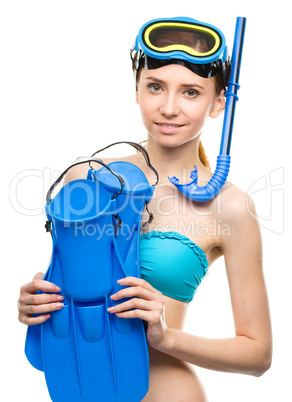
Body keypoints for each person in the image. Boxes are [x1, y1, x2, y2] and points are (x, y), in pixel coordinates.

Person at [18, 17, 272, 401]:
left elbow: (257, 355)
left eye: (191, 92)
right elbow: (68, 289)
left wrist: (167, 335)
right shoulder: (83, 180)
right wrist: (36, 305)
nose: (169, 107)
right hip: (80, 387)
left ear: (220, 102)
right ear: (137, 89)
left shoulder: (231, 207)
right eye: (155, 87)